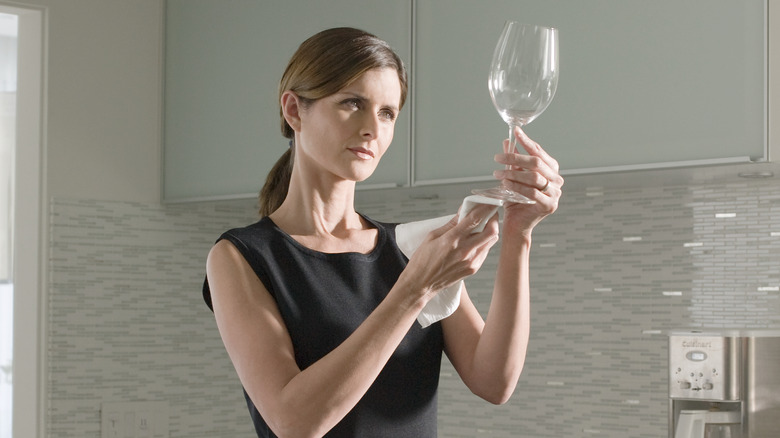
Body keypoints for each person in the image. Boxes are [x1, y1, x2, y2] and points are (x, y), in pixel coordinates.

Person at [203, 27, 563, 438]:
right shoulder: (241, 257)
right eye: (353, 103)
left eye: (387, 112)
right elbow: (294, 422)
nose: (372, 127)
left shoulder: (411, 246)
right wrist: (415, 289)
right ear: (294, 110)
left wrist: (519, 234)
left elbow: (494, 380)